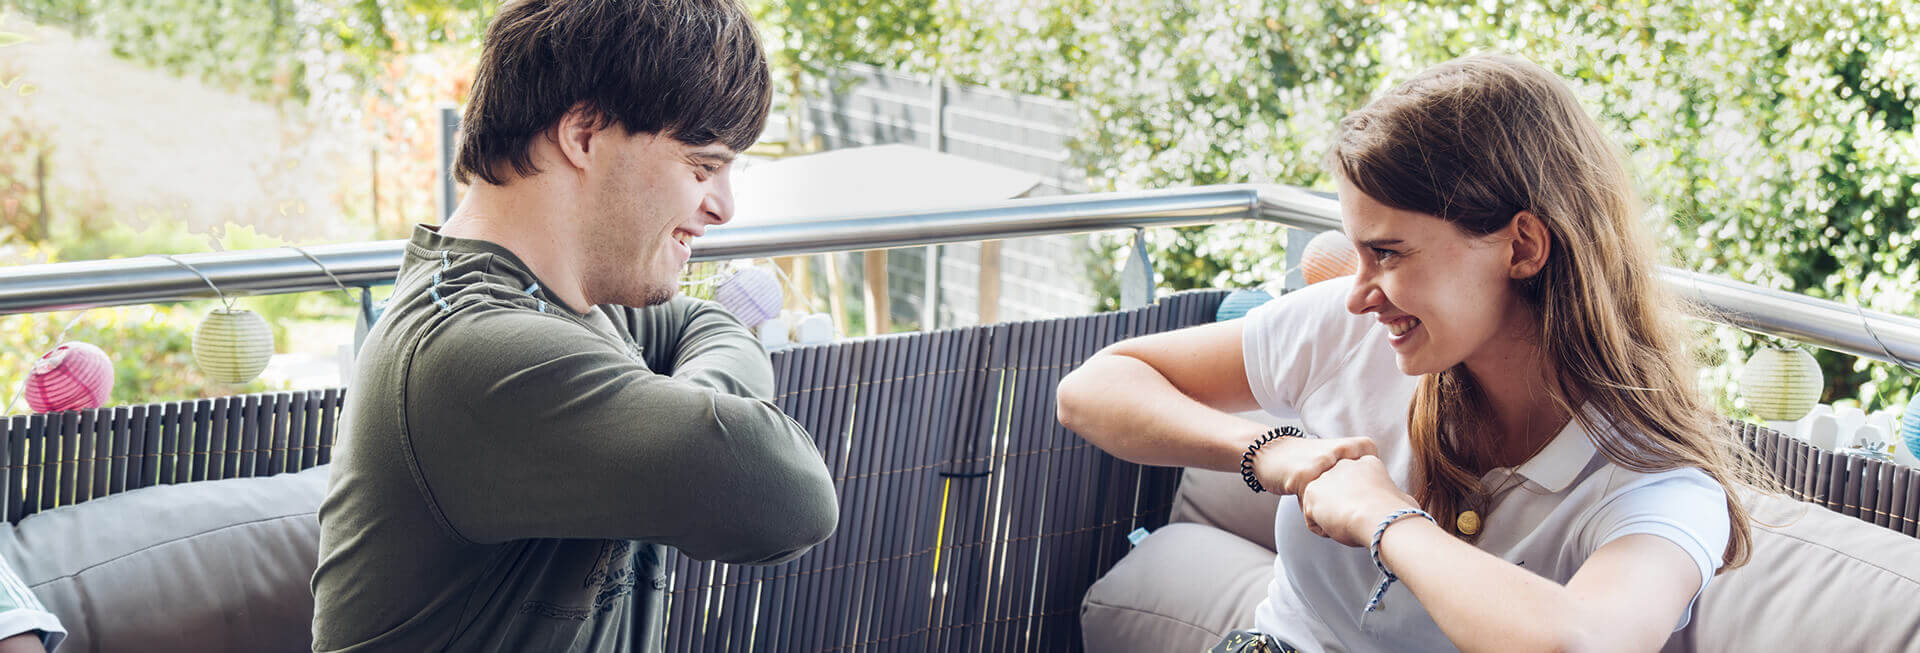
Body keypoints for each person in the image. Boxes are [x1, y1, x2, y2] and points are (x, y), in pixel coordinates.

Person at [1057, 53, 1761, 652]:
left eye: (1387, 253)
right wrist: (1269, 450)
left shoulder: (1659, 485)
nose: (1359, 293)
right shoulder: (1353, 331)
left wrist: (1386, 518)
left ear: (1522, 246)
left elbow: (1584, 640)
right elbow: (1094, 388)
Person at [310, 1, 839, 651]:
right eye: (702, 167)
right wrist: (701, 418)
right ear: (584, 134)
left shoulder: (577, 301)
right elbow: (787, 491)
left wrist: (691, 411)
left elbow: (709, 321)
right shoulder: (477, 351)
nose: (723, 207)